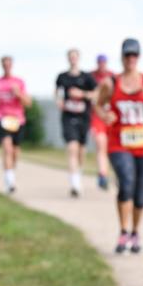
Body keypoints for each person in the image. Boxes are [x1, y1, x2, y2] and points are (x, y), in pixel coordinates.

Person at [95, 38, 143, 254]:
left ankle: (135, 232)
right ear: (122, 57)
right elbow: (98, 105)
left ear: (138, 57)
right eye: (127, 55)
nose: (131, 59)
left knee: (139, 193)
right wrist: (105, 115)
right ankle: (122, 231)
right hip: (119, 143)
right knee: (126, 182)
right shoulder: (111, 82)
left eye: (134, 55)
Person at [56, 49, 98, 197]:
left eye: (75, 56)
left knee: (81, 151)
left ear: (78, 58)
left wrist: (82, 94)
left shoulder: (87, 77)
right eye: (70, 57)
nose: (73, 59)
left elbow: (97, 93)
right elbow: (58, 93)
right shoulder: (62, 77)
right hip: (68, 117)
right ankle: (75, 184)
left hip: (84, 117)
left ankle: (78, 174)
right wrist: (59, 101)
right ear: (68, 59)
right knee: (72, 148)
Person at [0, 56, 31, 194]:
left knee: (15, 152)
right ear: (1, 65)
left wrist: (18, 93)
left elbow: (28, 103)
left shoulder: (19, 82)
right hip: (1, 118)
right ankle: (10, 181)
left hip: (18, 119)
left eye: (9, 64)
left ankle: (10, 172)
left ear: (12, 65)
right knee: (7, 148)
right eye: (4, 64)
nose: (6, 66)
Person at [90, 54, 115, 190]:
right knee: (101, 145)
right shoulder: (90, 76)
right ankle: (103, 175)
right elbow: (91, 96)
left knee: (113, 148)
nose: (102, 65)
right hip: (97, 117)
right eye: (99, 62)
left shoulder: (113, 77)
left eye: (104, 62)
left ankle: (117, 174)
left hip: (111, 116)